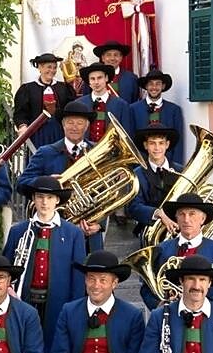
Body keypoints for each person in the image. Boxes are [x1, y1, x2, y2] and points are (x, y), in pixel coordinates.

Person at [3, 176, 86, 353]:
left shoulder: (72, 233)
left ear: (58, 201)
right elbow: (8, 268)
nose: (44, 202)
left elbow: (78, 277)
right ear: (33, 200)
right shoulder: (18, 231)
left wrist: (75, 312)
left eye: (50, 197)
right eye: (39, 197)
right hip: (26, 306)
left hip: (58, 308)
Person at [16, 100, 104, 251]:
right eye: (70, 122)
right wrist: (46, 182)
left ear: (87, 125)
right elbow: (22, 183)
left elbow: (108, 193)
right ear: (63, 125)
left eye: (80, 123)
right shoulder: (45, 152)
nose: (74, 127)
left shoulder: (98, 152)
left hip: (89, 232)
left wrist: (99, 224)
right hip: (53, 231)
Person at [138, 192, 213, 311]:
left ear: (203, 219)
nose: (186, 219)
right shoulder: (161, 249)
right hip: (171, 317)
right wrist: (158, 305)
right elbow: (146, 289)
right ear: (176, 218)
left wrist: (208, 306)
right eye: (181, 214)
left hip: (209, 320)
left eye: (192, 214)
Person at [125, 126, 183, 238]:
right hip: (150, 232)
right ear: (145, 145)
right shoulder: (137, 174)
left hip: (179, 230)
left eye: (161, 143)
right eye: (152, 143)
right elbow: (133, 207)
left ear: (167, 144)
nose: (157, 148)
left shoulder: (181, 171)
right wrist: (158, 213)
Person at [13, 53, 76, 150]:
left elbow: (70, 107)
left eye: (54, 68)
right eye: (49, 67)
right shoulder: (28, 88)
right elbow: (21, 112)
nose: (52, 70)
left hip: (59, 132)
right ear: (40, 68)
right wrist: (22, 126)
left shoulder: (63, 87)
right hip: (37, 133)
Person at [130, 70, 185, 164]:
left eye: (158, 84)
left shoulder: (174, 110)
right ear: (146, 86)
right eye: (150, 84)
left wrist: (176, 165)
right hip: (141, 162)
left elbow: (178, 141)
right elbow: (131, 138)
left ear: (163, 86)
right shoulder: (133, 109)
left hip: (167, 162)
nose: (154, 87)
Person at [75, 62, 134, 141]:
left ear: (106, 78)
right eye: (92, 79)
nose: (96, 82)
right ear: (89, 82)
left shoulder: (121, 105)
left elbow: (126, 135)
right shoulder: (79, 104)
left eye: (99, 78)